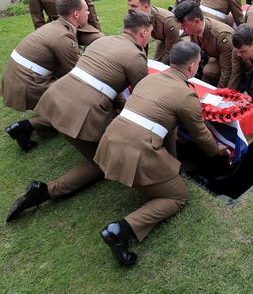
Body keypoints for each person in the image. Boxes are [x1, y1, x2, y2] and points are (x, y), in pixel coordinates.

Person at [5, 10, 153, 222]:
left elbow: (108, 81)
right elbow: (142, 97)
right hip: (82, 112)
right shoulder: (136, 57)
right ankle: (46, 191)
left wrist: (120, 106)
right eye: (150, 33)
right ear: (143, 32)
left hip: (56, 98)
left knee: (76, 124)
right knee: (103, 162)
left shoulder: (104, 41)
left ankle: (28, 127)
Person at [94, 41, 228, 266]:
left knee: (167, 165)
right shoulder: (186, 95)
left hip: (110, 140)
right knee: (177, 196)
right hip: (135, 151)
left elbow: (167, 124)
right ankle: (121, 230)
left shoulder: (149, 78)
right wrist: (217, 151)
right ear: (192, 66)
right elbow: (201, 135)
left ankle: (160, 173)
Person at [2, 0, 102, 151]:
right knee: (76, 107)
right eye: (86, 10)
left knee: (68, 102)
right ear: (76, 14)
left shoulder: (57, 26)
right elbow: (79, 75)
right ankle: (26, 127)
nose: (89, 13)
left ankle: (24, 128)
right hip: (27, 83)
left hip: (18, 77)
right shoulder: (63, 37)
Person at [173, 0, 233, 87]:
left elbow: (227, 71)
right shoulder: (194, 29)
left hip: (230, 62)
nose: (181, 29)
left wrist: (220, 94)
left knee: (209, 71)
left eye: (184, 25)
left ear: (197, 21)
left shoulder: (222, 36)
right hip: (215, 57)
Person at [126, 0, 181, 64]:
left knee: (171, 61)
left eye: (134, 6)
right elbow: (141, 43)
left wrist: (163, 66)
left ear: (146, 7)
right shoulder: (138, 17)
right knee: (156, 61)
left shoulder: (168, 22)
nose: (130, 10)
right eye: (129, 6)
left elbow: (169, 51)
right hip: (163, 38)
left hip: (179, 38)